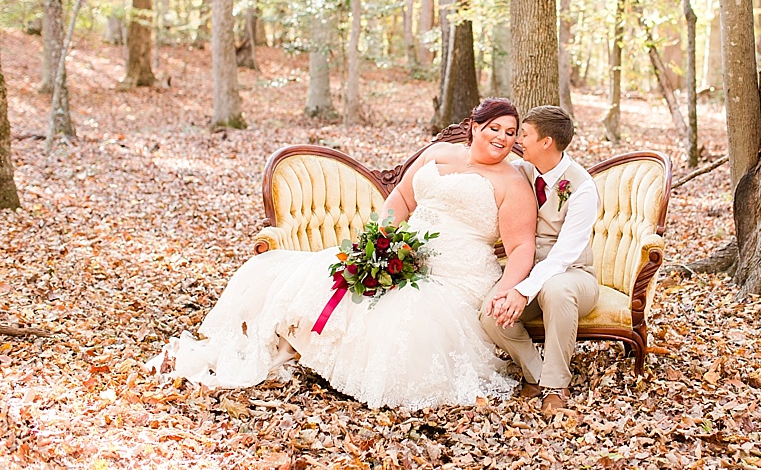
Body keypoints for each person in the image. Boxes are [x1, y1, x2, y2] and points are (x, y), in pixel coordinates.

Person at [147, 98, 537, 410]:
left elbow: (521, 247)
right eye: (494, 128)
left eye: (510, 132)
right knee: (302, 275)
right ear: (474, 127)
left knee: (408, 315)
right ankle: (297, 350)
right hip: (398, 251)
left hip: (457, 273)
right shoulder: (440, 152)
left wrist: (505, 290)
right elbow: (401, 196)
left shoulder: (511, 181)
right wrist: (381, 241)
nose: (502, 138)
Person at [480, 105, 600, 416]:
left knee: (557, 289)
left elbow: (562, 257)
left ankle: (557, 385)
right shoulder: (523, 171)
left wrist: (522, 291)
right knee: (491, 311)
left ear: (546, 142)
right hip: (528, 271)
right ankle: (536, 374)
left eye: (525, 134)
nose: (519, 140)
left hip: (575, 276)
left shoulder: (583, 188)